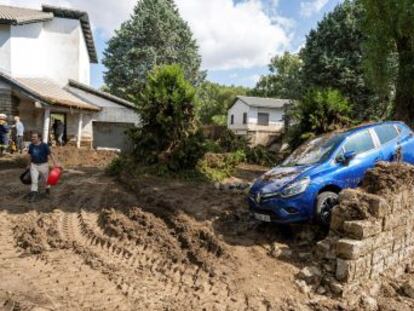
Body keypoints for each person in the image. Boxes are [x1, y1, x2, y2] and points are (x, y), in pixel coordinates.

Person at [27, 131, 59, 202]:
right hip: (34, 165)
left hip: (43, 165)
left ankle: (47, 189)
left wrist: (55, 163)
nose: (32, 138)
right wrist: (28, 164)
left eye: (34, 137)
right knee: (34, 181)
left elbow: (50, 154)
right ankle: (33, 194)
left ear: (39, 138)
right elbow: (30, 156)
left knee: (46, 180)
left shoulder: (44, 145)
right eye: (32, 137)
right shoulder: (31, 146)